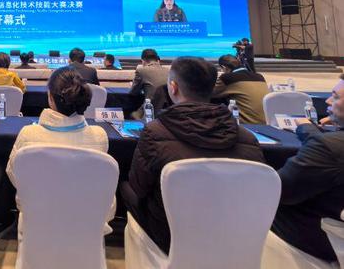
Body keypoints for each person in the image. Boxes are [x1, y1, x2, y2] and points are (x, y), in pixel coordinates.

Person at [121, 56, 265, 254]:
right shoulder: (247, 137)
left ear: (173, 87)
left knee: (125, 186)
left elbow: (139, 186)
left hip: (170, 235)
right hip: (235, 235)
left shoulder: (155, 132)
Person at [7, 67, 113, 232]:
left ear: (50, 97)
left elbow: (14, 174)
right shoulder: (99, 136)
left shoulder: (28, 133)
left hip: (37, 223)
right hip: (87, 226)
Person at [271, 75, 344, 262]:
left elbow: (278, 192)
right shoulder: (331, 144)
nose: (328, 101)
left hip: (314, 244)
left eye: (335, 96)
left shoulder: (330, 147)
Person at [213, 54, 267, 124]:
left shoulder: (227, 78)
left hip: (246, 125)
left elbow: (209, 93)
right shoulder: (259, 77)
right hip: (266, 123)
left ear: (224, 67)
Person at [130, 49, 169, 117]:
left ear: (143, 60)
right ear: (157, 59)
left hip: (151, 109)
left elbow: (134, 92)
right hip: (169, 109)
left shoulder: (141, 70)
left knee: (132, 115)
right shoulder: (168, 71)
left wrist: (133, 85)